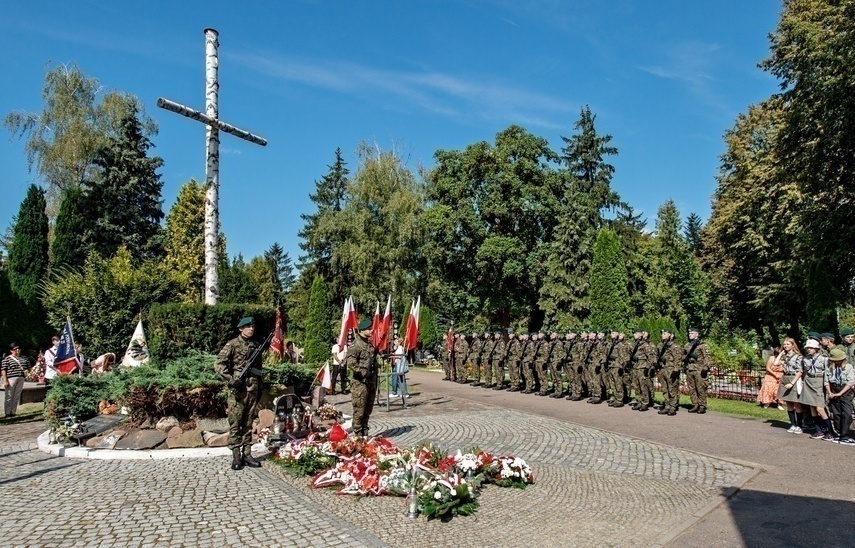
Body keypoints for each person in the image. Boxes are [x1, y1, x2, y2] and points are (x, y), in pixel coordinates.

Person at [215, 317, 263, 471]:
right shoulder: (232, 344)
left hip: (252, 388)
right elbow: (219, 364)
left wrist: (259, 388)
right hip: (238, 389)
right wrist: (231, 379)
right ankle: (236, 455)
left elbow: (259, 369)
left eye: (252, 327)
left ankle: (247, 454)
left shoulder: (255, 346)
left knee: (248, 423)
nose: (251, 329)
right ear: (241, 329)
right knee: (235, 423)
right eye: (248, 327)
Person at [346, 318, 379, 436]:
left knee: (368, 409)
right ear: (361, 330)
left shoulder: (369, 344)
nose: (371, 331)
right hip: (360, 383)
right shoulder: (356, 345)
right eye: (369, 329)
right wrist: (363, 373)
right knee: (359, 410)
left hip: (370, 381)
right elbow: (351, 363)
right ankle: (358, 434)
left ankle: (365, 432)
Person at [799, 339, 833, 440]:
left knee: (820, 408)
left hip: (819, 381)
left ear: (817, 349)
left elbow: (827, 372)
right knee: (812, 407)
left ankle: (830, 430)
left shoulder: (823, 359)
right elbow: (804, 371)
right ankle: (818, 430)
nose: (809, 350)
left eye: (811, 348)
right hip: (809, 381)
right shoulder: (805, 359)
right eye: (808, 348)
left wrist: (826, 385)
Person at [775, 337, 805, 433]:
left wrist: (792, 383)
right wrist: (780, 354)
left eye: (788, 344)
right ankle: (793, 424)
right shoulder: (785, 356)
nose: (785, 346)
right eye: (784, 344)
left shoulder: (798, 357)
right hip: (785, 377)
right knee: (788, 403)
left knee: (796, 403)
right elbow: (775, 363)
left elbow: (800, 371)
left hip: (794, 378)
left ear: (793, 345)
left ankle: (799, 425)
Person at [825, 347, 854, 445]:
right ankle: (839, 433)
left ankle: (845, 435)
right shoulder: (829, 367)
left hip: (845, 390)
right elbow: (826, 381)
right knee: (836, 413)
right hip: (833, 389)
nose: (837, 362)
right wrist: (830, 392)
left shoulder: (848, 367)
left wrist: (841, 393)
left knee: (847, 413)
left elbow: (851, 382)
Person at [684, 328, 712, 414]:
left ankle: (702, 405)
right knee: (692, 388)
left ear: (697, 335)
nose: (690, 335)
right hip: (690, 368)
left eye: (692, 333)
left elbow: (707, 357)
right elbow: (683, 355)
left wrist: (705, 368)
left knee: (700, 388)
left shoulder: (702, 345)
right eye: (689, 333)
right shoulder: (687, 345)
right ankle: (695, 404)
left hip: (699, 369)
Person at [657, 329, 684, 416]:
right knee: (665, 389)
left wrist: (676, 369)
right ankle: (667, 405)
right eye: (662, 334)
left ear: (670, 335)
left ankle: (673, 407)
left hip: (671, 369)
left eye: (664, 334)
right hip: (663, 369)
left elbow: (677, 358)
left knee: (672, 389)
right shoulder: (661, 345)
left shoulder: (674, 346)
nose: (662, 335)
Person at [2, 343, 29, 417]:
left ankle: (13, 411)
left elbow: (27, 367)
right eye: (15, 349)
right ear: (11, 351)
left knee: (16, 395)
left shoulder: (23, 359)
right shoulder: (7, 359)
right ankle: (7, 412)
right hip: (11, 378)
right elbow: (3, 370)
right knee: (9, 395)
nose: (17, 350)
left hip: (21, 377)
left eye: (18, 349)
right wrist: (5, 380)